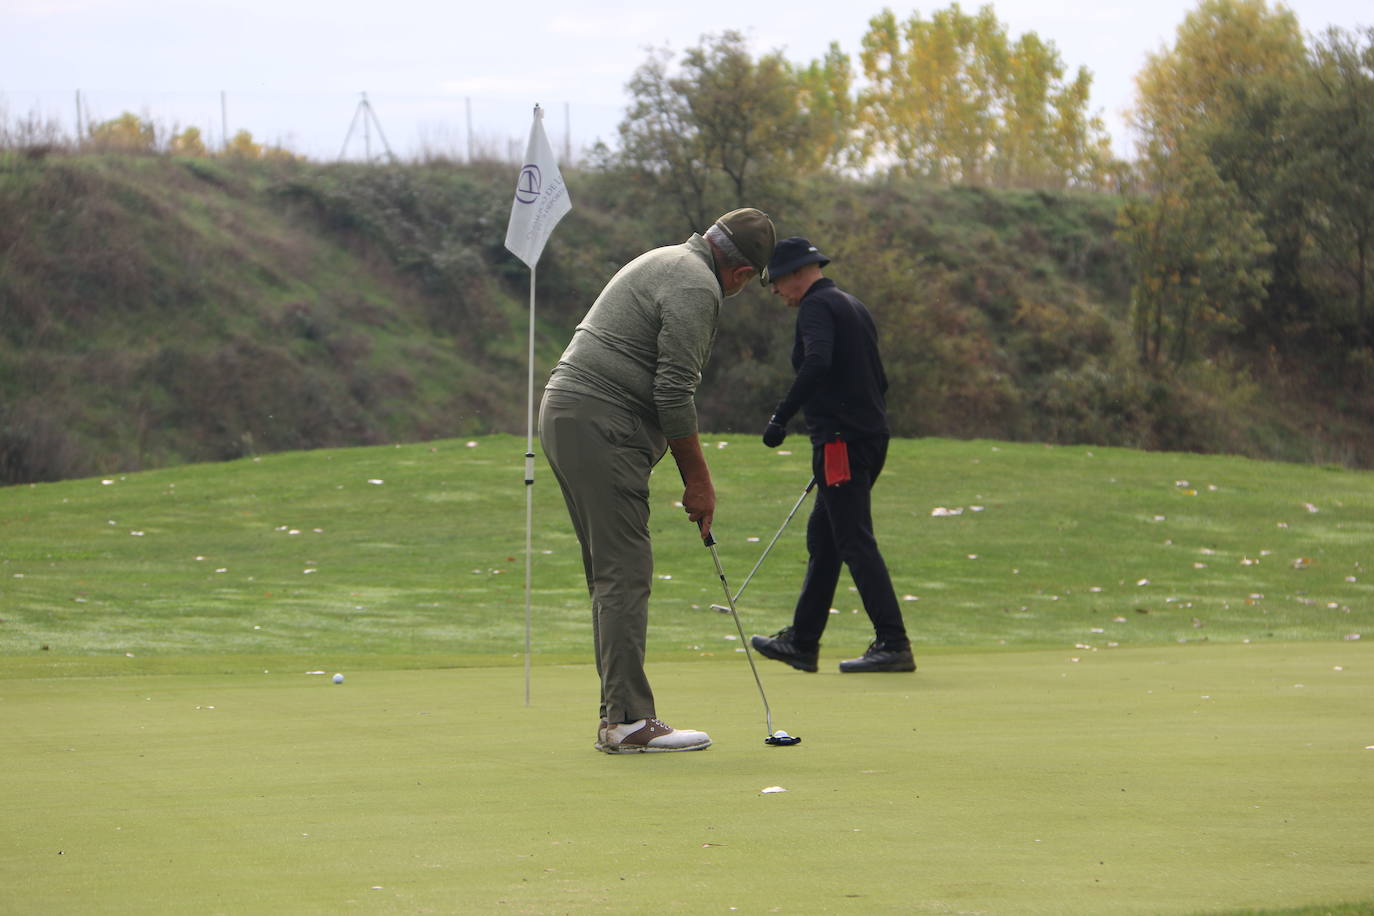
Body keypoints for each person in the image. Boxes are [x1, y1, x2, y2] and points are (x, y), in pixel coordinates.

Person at [539, 208, 777, 753]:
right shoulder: (698, 285)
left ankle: (617, 717)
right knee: (625, 572)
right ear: (741, 274)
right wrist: (699, 481)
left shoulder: (666, 258)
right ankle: (627, 721)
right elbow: (673, 393)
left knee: (611, 574)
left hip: (569, 412)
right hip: (601, 420)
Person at [750, 237, 916, 674]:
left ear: (796, 274)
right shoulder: (852, 305)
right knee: (824, 541)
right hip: (861, 438)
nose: (774, 290)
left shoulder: (816, 308)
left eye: (776, 280)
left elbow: (817, 363)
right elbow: (880, 381)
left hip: (842, 443)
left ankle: (894, 643)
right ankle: (803, 643)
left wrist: (782, 417)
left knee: (853, 540)